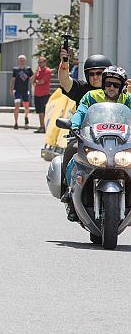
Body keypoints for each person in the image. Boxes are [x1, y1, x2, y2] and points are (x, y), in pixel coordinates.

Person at [58, 48, 112, 221]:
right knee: (71, 150)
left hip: (114, 139)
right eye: (92, 73)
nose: (95, 76)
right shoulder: (82, 89)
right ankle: (67, 191)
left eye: (100, 73)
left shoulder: (115, 90)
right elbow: (65, 81)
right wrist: (64, 62)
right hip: (85, 138)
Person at [64, 66, 131, 196]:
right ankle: (69, 189)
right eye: (108, 83)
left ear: (122, 86)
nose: (111, 87)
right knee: (72, 149)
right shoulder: (91, 96)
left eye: (116, 85)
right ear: (103, 84)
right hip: (94, 140)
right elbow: (81, 112)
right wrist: (74, 126)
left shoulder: (128, 99)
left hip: (122, 142)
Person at [9, 54, 33, 129]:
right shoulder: (15, 69)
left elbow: (32, 78)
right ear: (18, 61)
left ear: (25, 61)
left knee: (26, 106)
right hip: (17, 91)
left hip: (25, 90)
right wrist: (11, 89)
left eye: (23, 60)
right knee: (17, 106)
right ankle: (16, 123)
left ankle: (26, 117)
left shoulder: (28, 69)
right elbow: (13, 80)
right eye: (20, 60)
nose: (22, 62)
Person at [31, 55, 52, 133]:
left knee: (43, 111)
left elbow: (42, 81)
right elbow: (31, 81)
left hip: (44, 94)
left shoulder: (48, 71)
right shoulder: (38, 71)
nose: (39, 64)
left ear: (45, 62)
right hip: (37, 94)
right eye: (38, 62)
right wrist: (36, 72)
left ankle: (44, 127)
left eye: (41, 62)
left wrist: (36, 82)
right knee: (39, 112)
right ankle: (41, 126)